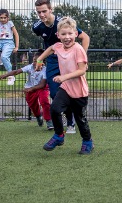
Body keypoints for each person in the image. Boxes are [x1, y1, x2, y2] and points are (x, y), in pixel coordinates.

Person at [35, 17, 94, 154]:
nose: (67, 37)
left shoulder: (78, 49)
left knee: (80, 119)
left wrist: (63, 77)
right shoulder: (58, 46)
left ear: (75, 34)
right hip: (66, 88)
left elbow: (82, 70)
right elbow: (50, 48)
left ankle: (87, 141)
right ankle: (59, 135)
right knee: (54, 109)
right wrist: (39, 60)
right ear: (58, 35)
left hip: (79, 91)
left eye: (70, 34)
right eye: (63, 34)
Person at [32, 0, 90, 134]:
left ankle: (71, 123)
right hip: (53, 60)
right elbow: (51, 47)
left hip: (68, 59)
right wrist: (40, 60)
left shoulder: (62, 22)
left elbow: (85, 37)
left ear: (51, 10)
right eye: (38, 12)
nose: (41, 15)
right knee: (54, 93)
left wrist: (82, 57)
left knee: (71, 91)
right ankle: (66, 120)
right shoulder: (37, 27)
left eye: (44, 11)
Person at [0, 50, 53, 130]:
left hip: (41, 88)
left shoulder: (45, 70)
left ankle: (49, 121)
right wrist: (6, 75)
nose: (35, 63)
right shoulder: (29, 67)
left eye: (38, 61)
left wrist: (31, 88)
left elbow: (42, 84)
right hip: (30, 89)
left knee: (44, 101)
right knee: (33, 106)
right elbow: (17, 71)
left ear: (43, 62)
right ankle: (38, 117)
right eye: (34, 61)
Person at [0, 9, 20, 86]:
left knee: (4, 56)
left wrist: (16, 47)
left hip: (9, 43)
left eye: (4, 18)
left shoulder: (10, 23)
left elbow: (16, 35)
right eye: (1, 17)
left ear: (7, 17)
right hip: (0, 42)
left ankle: (11, 75)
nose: (2, 19)